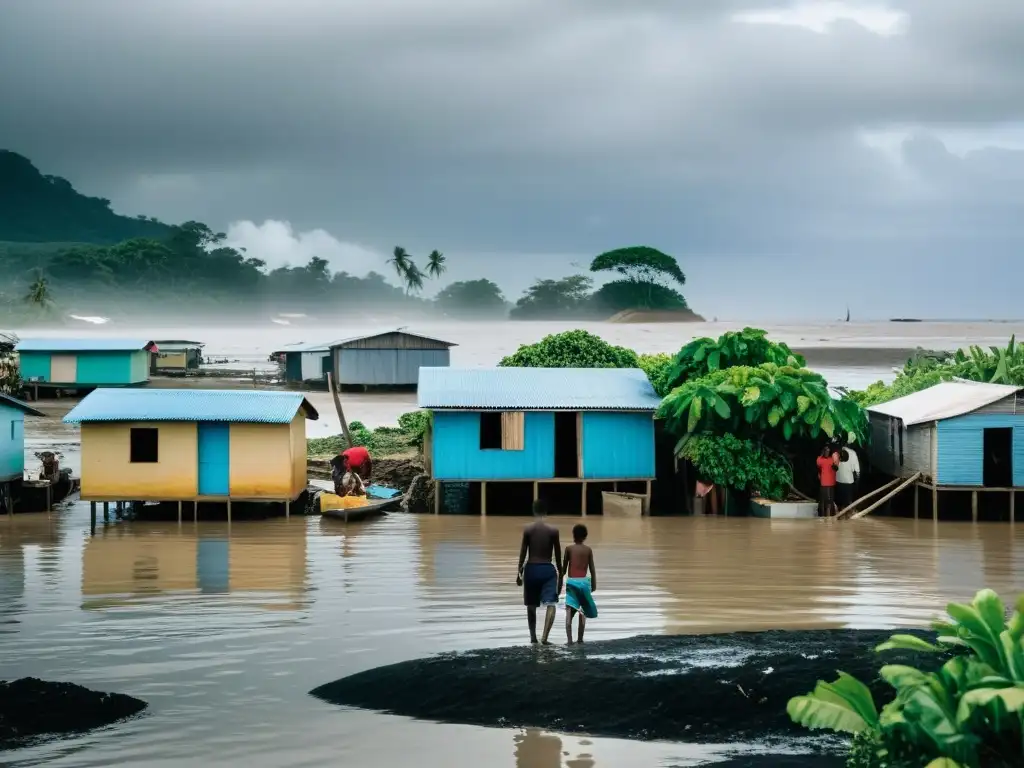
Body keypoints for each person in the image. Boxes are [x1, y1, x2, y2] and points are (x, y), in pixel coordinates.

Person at [516, 500, 563, 645]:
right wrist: (561, 575)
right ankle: (545, 638)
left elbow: (523, 552)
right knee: (551, 603)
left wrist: (519, 573)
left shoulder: (528, 529)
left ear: (534, 511)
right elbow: (558, 555)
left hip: (531, 569)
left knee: (531, 606)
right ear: (546, 512)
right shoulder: (553, 530)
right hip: (547, 570)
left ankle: (533, 638)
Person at [562, 524, 597, 645]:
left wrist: (558, 584)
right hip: (584, 583)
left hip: (572, 582)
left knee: (569, 613)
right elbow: (592, 569)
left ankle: (569, 641)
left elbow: (563, 569)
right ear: (585, 536)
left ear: (573, 535)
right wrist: (594, 584)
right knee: (582, 613)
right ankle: (580, 639)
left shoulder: (569, 549)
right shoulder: (588, 550)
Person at [816, 445, 838, 516]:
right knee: (823, 501)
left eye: (828, 451)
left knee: (830, 501)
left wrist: (834, 465)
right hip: (824, 483)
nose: (827, 452)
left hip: (831, 483)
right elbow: (818, 467)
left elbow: (836, 468)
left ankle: (829, 517)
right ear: (823, 451)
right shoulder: (819, 459)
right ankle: (822, 516)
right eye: (825, 450)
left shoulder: (832, 459)